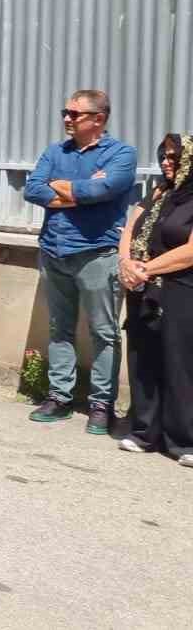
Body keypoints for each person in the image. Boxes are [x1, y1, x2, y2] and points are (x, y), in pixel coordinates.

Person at [23, 89, 138, 433]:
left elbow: (107, 189)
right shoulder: (55, 151)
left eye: (75, 114)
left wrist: (64, 188)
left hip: (97, 254)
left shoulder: (121, 154)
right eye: (66, 112)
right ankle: (60, 397)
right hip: (54, 250)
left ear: (98, 119)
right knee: (60, 327)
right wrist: (78, 192)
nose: (67, 119)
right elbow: (32, 189)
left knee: (104, 331)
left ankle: (102, 404)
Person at [119, 134, 193, 467]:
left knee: (179, 362)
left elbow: (190, 250)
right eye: (163, 155)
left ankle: (182, 440)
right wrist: (125, 264)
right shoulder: (157, 193)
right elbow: (129, 228)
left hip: (180, 288)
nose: (166, 161)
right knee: (143, 356)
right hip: (142, 286)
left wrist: (146, 268)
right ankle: (145, 431)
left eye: (174, 156)